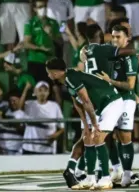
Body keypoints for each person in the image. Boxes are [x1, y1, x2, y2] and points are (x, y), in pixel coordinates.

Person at [46, 58, 126, 190]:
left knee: (98, 136)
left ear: (55, 73)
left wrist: (94, 123)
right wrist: (85, 125)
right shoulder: (67, 79)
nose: (48, 75)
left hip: (111, 102)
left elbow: (86, 101)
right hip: (100, 106)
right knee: (87, 138)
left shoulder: (71, 78)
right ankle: (90, 179)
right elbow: (77, 104)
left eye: (49, 72)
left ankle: (106, 179)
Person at [98, 26, 139, 187]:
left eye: (118, 37)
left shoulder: (129, 57)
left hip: (125, 100)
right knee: (106, 135)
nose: (114, 40)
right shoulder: (110, 54)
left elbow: (130, 85)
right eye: (113, 37)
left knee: (125, 137)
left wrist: (111, 81)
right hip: (110, 100)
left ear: (127, 39)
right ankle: (116, 169)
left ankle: (127, 175)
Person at [21, 81, 64, 154]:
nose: (43, 93)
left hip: (47, 148)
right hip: (29, 147)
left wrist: (56, 135)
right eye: (40, 90)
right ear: (35, 92)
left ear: (48, 92)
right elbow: (20, 107)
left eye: (45, 90)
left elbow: (62, 127)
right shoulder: (29, 104)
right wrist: (25, 90)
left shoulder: (54, 106)